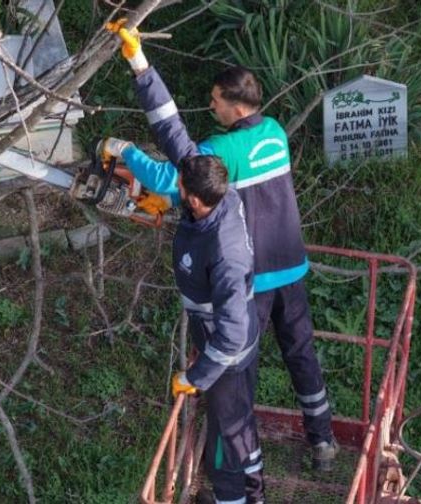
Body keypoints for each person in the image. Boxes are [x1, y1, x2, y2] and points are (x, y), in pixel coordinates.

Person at [103, 20, 340, 470]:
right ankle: (323, 440)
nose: (210, 108)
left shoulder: (221, 153)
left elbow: (169, 168)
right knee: (301, 353)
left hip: (251, 279)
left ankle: (238, 464)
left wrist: (125, 149)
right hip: (292, 267)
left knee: (236, 376)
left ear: (233, 105)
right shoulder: (273, 132)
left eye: (214, 102)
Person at [168, 155, 264, 504]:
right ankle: (256, 493)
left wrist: (196, 377)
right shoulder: (224, 197)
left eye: (179, 189)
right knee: (240, 424)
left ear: (194, 198)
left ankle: (234, 498)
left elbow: (232, 334)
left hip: (228, 356)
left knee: (225, 442)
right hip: (237, 339)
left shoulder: (224, 255)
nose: (175, 190)